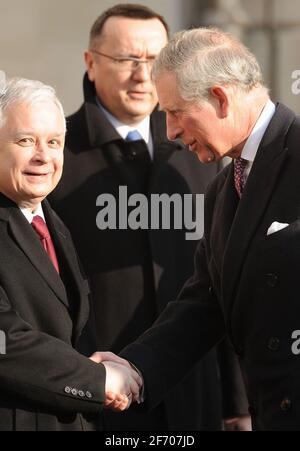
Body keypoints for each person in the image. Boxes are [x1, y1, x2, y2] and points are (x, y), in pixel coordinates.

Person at [49, 4, 248, 431]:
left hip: (195, 393)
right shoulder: (52, 159)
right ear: (90, 62)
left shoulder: (202, 151)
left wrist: (237, 400)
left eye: (154, 61)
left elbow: (226, 277)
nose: (142, 75)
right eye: (125, 60)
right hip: (96, 397)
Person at [95, 26, 300, 431]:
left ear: (220, 98)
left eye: (173, 112)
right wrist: (136, 366)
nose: (169, 131)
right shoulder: (224, 188)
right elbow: (205, 301)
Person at [0, 76, 141, 432]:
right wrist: (96, 378)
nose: (43, 156)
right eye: (26, 140)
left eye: (54, 142)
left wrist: (94, 367)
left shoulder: (52, 221)